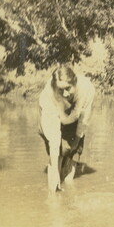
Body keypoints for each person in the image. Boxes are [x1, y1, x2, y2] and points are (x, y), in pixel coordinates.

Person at [39, 63, 95, 193]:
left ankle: (70, 190)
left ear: (75, 82)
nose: (64, 93)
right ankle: (54, 188)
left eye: (68, 88)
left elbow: (83, 120)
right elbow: (53, 135)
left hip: (76, 113)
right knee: (57, 152)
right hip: (53, 115)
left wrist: (76, 141)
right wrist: (54, 173)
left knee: (73, 150)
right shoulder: (48, 95)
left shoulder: (87, 89)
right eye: (60, 90)